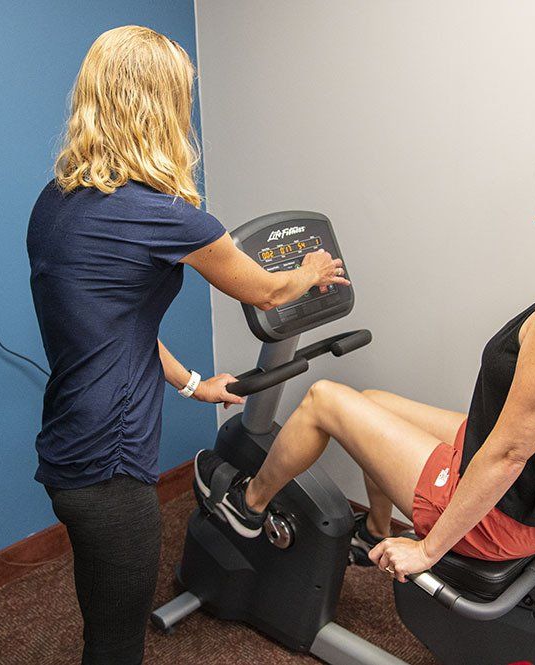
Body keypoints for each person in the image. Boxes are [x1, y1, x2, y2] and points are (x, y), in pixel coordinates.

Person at [195, 132, 535, 583]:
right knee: (371, 402)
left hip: (500, 517)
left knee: (324, 398)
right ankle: (374, 530)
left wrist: (427, 550)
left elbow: (510, 453)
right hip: (528, 483)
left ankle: (246, 507)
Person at [27, 26, 349, 665]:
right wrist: (311, 270)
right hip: (111, 467)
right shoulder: (164, 216)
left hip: (69, 447)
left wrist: (194, 384)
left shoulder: (56, 202)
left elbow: (117, 327)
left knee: (103, 618)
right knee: (116, 643)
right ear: (162, 107)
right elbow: (267, 292)